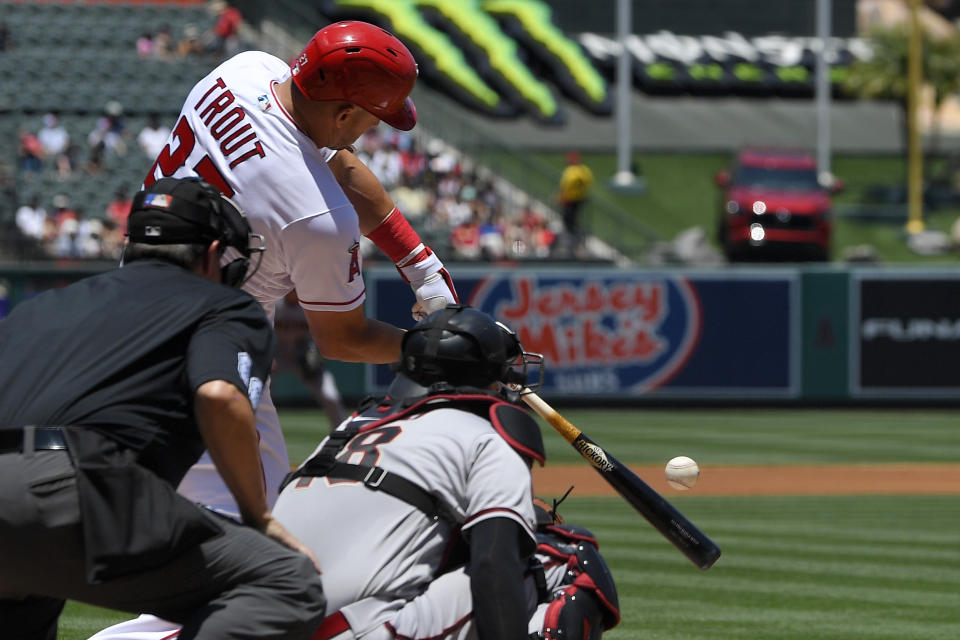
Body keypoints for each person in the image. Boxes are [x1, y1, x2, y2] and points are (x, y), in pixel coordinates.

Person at [90, 20, 458, 640]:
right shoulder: (315, 216)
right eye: (370, 120)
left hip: (128, 315)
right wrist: (439, 352)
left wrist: (418, 260)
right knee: (272, 573)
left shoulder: (245, 71)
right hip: (201, 363)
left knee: (231, 565)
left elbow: (333, 161)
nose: (371, 134)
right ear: (343, 112)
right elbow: (341, 339)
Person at [0, 177, 325, 640]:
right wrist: (259, 517)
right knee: (285, 581)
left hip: (23, 494)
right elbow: (218, 395)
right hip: (73, 487)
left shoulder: (43, 305)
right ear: (214, 253)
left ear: (130, 244)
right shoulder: (223, 305)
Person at [273, 305, 620, 640]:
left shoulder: (353, 427)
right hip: (355, 629)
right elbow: (494, 567)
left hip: (257, 622)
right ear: (486, 377)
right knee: (570, 559)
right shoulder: (487, 435)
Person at [273, 290, 348, 428]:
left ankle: (342, 434)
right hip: (276, 355)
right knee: (257, 394)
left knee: (330, 396)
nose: (293, 290)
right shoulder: (274, 304)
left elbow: (322, 336)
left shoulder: (308, 306)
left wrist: (315, 355)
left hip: (303, 356)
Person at [557, 150, 594, 256]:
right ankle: (577, 245)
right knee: (575, 223)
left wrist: (559, 198)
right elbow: (589, 184)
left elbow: (564, 187)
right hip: (580, 200)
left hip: (569, 201)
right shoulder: (585, 171)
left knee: (569, 224)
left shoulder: (570, 171)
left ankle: (572, 247)